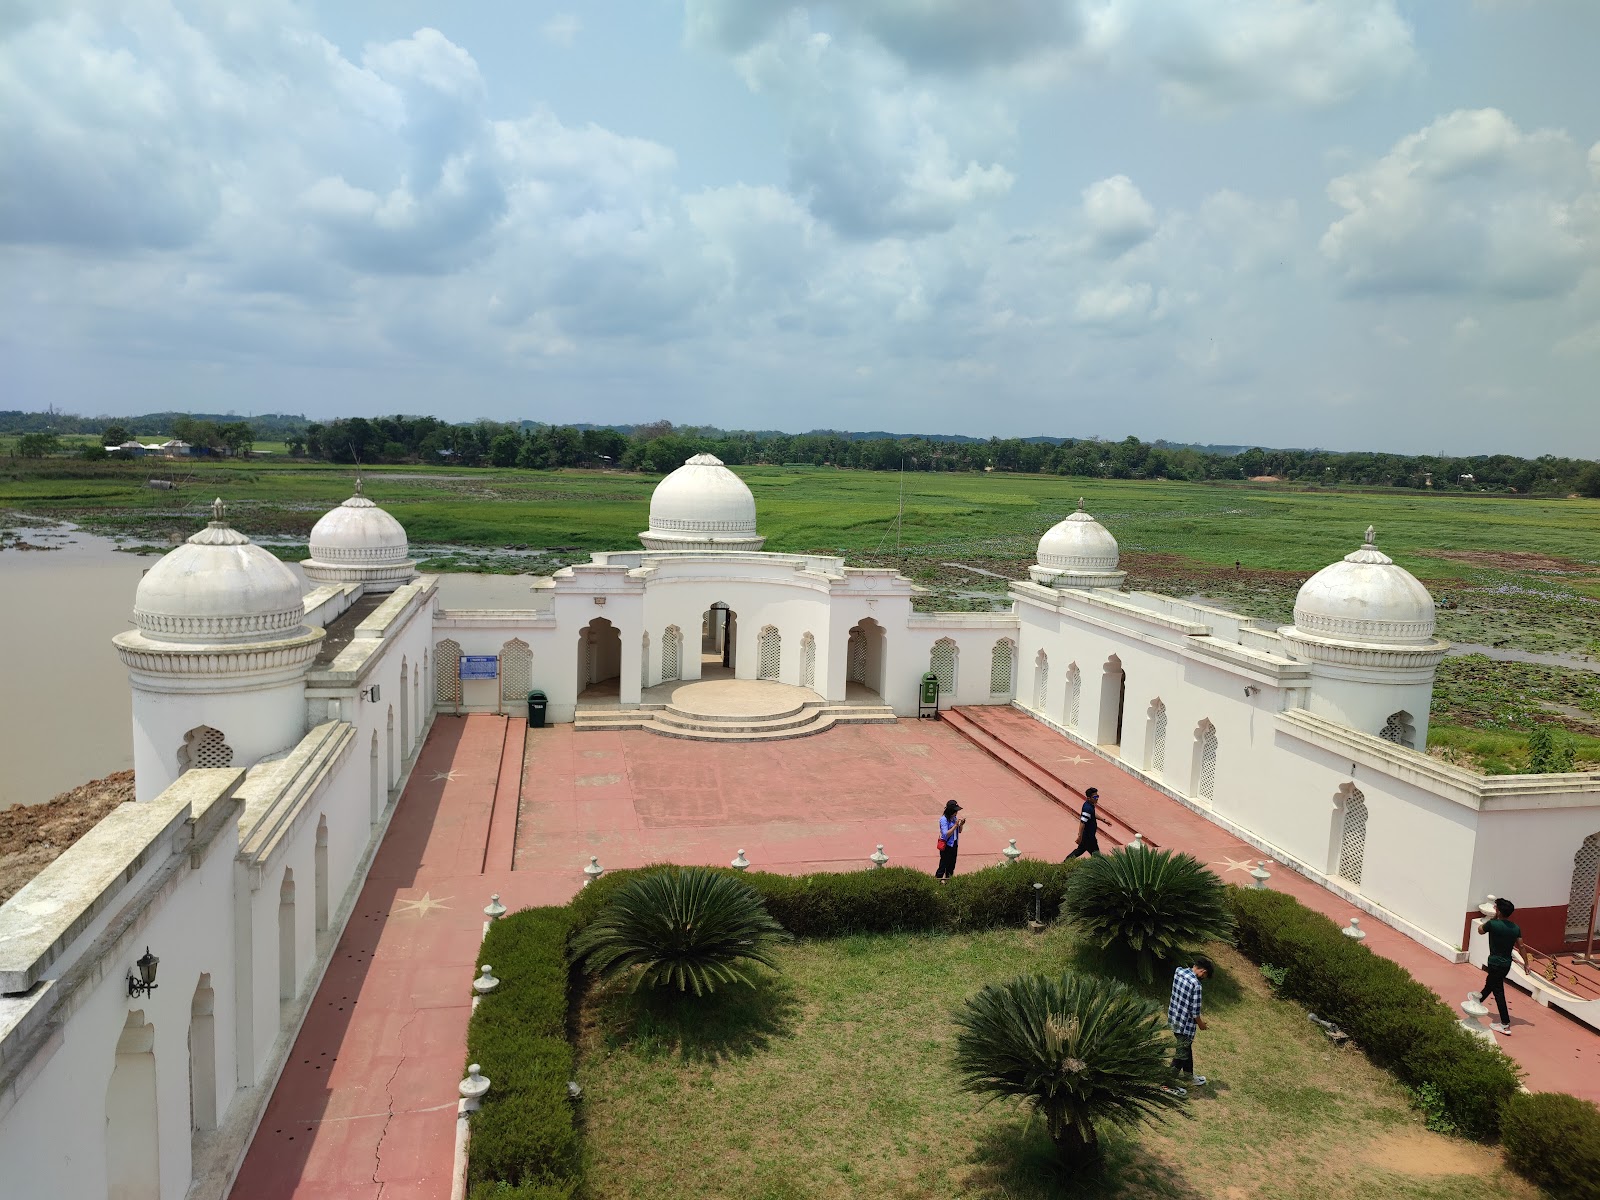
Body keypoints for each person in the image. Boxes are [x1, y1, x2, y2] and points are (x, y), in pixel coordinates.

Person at [1163, 955, 1213, 1096]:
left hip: (1174, 1019)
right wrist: (1201, 1025)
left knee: (1186, 1048)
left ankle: (1189, 1076)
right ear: (1203, 972)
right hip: (1185, 1026)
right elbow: (1194, 1012)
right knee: (1181, 1055)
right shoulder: (1196, 985)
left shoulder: (1179, 971)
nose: (1203, 978)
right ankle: (1166, 1085)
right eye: (1205, 975)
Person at [1474, 897, 1523, 1035]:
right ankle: (1478, 1000)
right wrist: (1527, 964)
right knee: (1491, 983)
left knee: (1498, 991)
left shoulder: (1493, 924)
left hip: (1494, 962)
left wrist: (1494, 918)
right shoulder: (1515, 928)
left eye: (1496, 908)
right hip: (1506, 964)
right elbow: (1522, 946)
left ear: (1499, 911)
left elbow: (1480, 930)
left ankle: (1505, 1024)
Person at [1065, 787, 1101, 859]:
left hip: (1088, 836)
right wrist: (1079, 837)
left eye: (1097, 796)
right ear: (1088, 798)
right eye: (1095, 797)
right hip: (1088, 837)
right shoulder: (1087, 808)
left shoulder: (1090, 805)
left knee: (1080, 850)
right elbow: (1082, 823)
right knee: (1097, 856)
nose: (1097, 798)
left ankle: (1066, 862)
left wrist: (1103, 820)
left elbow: (1092, 814)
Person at [935, 799, 965, 882]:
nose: (956, 813)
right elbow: (945, 834)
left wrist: (961, 825)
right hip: (946, 846)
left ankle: (948, 882)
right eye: (955, 811)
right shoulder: (943, 819)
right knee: (943, 865)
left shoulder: (954, 818)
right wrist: (955, 825)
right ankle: (937, 881)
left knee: (951, 866)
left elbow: (959, 831)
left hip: (954, 844)